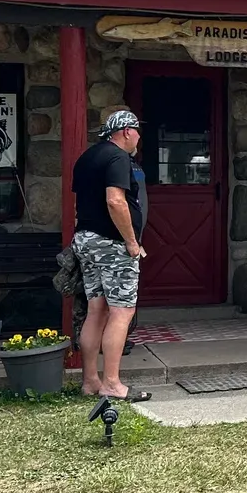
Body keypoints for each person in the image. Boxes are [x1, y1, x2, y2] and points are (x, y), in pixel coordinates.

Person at [71, 107, 150, 403]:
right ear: (127, 131)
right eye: (137, 131)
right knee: (122, 311)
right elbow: (115, 201)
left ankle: (90, 380)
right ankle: (112, 383)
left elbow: (80, 203)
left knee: (96, 310)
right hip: (111, 244)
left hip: (86, 240)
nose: (139, 137)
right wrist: (131, 242)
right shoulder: (118, 157)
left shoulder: (87, 157)